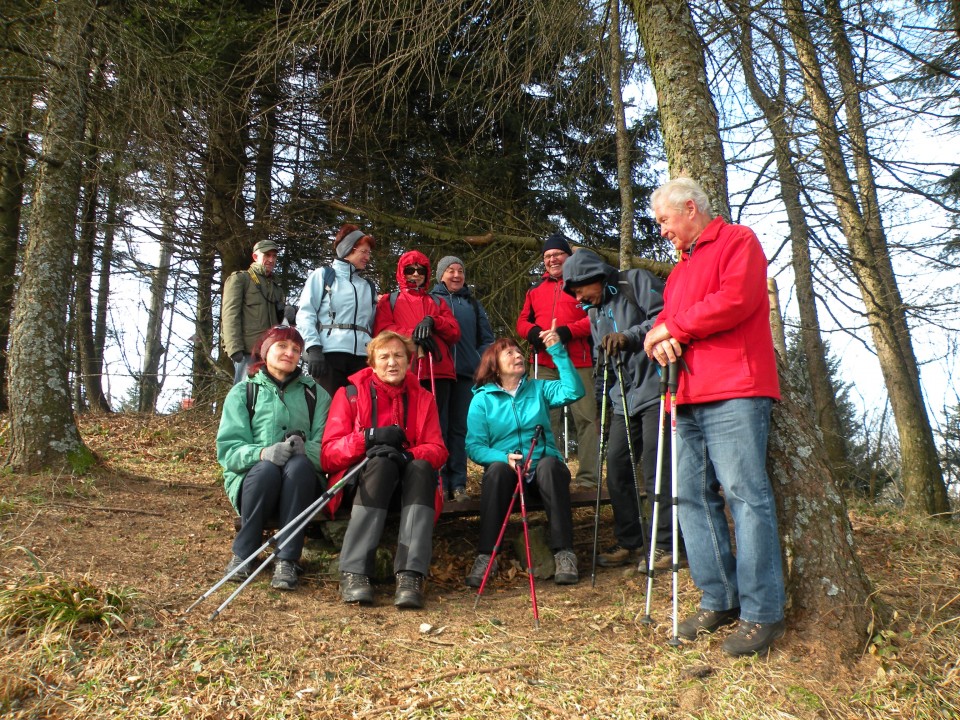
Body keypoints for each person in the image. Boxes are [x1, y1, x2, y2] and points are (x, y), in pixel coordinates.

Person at [642, 177, 785, 657]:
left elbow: (737, 300)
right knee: (691, 498)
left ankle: (761, 611)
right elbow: (670, 325)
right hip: (687, 393)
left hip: (735, 388)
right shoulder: (679, 272)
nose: (662, 231)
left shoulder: (737, 240)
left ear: (689, 208)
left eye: (664, 221)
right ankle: (718, 596)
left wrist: (672, 327)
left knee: (746, 495)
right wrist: (660, 338)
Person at [562, 248, 683, 572]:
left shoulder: (635, 282)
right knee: (616, 470)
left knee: (657, 468)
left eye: (579, 289)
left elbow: (664, 317)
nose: (578, 297)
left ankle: (667, 544)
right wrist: (604, 396)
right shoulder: (593, 311)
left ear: (594, 277)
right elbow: (603, 358)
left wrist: (628, 337)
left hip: (656, 387)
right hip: (622, 399)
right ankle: (629, 541)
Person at [320, 331, 448, 609]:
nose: (392, 362)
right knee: (381, 463)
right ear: (372, 364)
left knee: (422, 467)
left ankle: (410, 575)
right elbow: (329, 454)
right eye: (384, 357)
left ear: (409, 361)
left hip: (410, 486)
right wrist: (368, 438)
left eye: (398, 355)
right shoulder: (350, 394)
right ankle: (354, 571)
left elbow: (438, 449)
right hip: (363, 481)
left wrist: (407, 455)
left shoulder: (424, 398)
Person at [464, 332, 585, 587]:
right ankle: (487, 556)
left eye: (519, 352)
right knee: (495, 471)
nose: (518, 355)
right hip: (508, 476)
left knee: (551, 466)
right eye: (509, 352)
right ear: (494, 364)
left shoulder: (539, 388)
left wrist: (557, 351)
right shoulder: (481, 400)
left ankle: (564, 554)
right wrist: (503, 457)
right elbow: (474, 446)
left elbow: (574, 390)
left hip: (542, 470)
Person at [216, 325, 331, 591]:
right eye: (281, 346)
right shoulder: (243, 392)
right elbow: (229, 450)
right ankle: (244, 554)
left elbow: (329, 446)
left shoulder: (316, 395)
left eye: (295, 349)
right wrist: (262, 453)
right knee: (267, 470)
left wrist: (308, 450)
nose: (289, 353)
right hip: (255, 484)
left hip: (301, 485)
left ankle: (287, 560)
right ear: (265, 351)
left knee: (300, 465)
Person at [516, 233, 598, 490]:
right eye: (547, 256)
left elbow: (594, 318)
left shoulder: (580, 283)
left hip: (578, 362)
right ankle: (547, 476)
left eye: (557, 254)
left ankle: (588, 480)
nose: (552, 259)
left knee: (586, 419)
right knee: (541, 421)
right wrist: (531, 333)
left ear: (568, 256)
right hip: (542, 363)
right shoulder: (535, 290)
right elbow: (522, 321)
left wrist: (567, 332)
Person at [430, 256, 495, 501]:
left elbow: (486, 339)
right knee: (439, 428)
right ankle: (439, 483)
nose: (456, 275)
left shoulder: (473, 304)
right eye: (450, 271)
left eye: (460, 271)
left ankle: (458, 484)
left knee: (460, 430)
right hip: (438, 374)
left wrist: (479, 362)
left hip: (467, 375)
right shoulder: (432, 300)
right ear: (440, 275)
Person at [373, 250, 460, 422]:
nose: (415, 274)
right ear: (401, 272)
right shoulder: (390, 301)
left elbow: (454, 331)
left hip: (438, 370)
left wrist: (433, 322)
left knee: (436, 423)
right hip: (404, 369)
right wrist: (412, 334)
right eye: (410, 270)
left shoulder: (436, 301)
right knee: (405, 419)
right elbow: (382, 330)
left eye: (421, 270)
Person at [296, 224, 378, 398]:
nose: (367, 257)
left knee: (359, 411)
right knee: (329, 412)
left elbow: (372, 324)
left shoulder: (368, 286)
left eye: (369, 253)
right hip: (329, 355)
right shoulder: (323, 275)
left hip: (362, 358)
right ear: (349, 249)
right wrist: (313, 348)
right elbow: (306, 313)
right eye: (364, 251)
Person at [222, 239, 287, 384]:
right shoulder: (240, 279)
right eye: (267, 255)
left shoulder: (277, 288)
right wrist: (234, 348)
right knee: (245, 396)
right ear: (255, 257)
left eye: (274, 256)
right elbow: (230, 315)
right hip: (247, 351)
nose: (271, 260)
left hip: (271, 352)